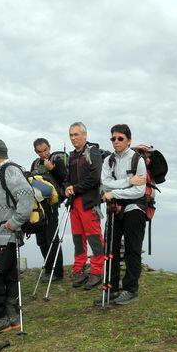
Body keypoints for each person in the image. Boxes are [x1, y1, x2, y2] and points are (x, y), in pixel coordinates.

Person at [0, 139, 33, 338]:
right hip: (3, 234)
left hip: (5, 233)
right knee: (9, 275)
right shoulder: (3, 172)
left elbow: (26, 195)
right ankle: (12, 317)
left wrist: (14, 222)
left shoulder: (9, 171)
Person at [99, 124, 147, 305]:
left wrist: (114, 193)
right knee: (110, 248)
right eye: (113, 138)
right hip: (115, 208)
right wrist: (128, 181)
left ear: (129, 140)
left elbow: (139, 191)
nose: (116, 142)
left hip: (135, 208)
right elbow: (104, 184)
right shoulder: (108, 160)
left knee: (132, 249)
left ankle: (131, 289)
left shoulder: (137, 160)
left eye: (120, 138)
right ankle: (111, 288)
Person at [65, 122, 105, 290]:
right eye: (71, 135)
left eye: (76, 134)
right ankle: (79, 269)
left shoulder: (93, 152)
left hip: (89, 202)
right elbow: (67, 177)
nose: (73, 138)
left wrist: (75, 188)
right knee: (78, 237)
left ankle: (97, 271)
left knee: (94, 237)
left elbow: (95, 177)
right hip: (75, 203)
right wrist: (67, 187)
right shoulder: (72, 156)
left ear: (85, 135)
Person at [30, 138, 68, 282]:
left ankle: (57, 272)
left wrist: (52, 168)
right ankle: (48, 268)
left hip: (52, 205)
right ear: (36, 151)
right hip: (38, 206)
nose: (44, 154)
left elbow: (65, 177)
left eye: (45, 150)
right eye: (40, 152)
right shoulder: (35, 163)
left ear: (49, 147)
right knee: (41, 239)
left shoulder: (57, 159)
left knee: (51, 238)